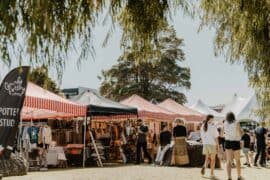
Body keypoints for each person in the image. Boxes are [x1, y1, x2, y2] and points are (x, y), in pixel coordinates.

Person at [224, 112, 242, 180]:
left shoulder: (225, 123)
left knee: (228, 161)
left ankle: (229, 177)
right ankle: (239, 176)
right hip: (235, 142)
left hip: (228, 142)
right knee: (237, 160)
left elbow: (222, 134)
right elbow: (239, 133)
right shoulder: (236, 122)